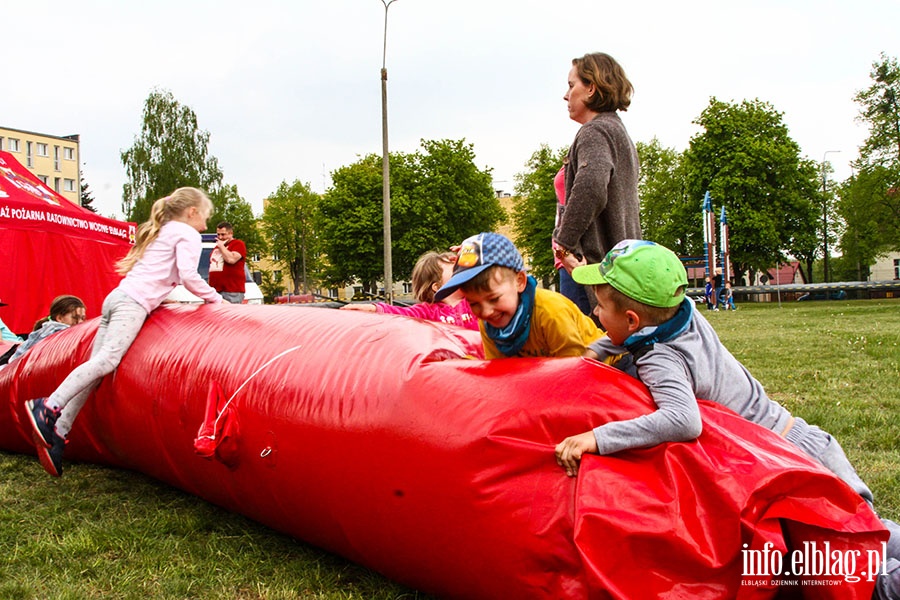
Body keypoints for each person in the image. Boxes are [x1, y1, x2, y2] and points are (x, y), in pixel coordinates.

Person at [554, 238, 900, 598]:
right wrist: (600, 346)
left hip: (789, 473)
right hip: (807, 442)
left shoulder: (661, 359)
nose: (595, 314)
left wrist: (597, 437)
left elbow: (683, 420)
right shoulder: (683, 311)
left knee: (865, 578)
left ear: (631, 319)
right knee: (876, 533)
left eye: (600, 308)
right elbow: (637, 329)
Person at [26, 187, 223, 477]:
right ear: (192, 212)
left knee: (95, 372)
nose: (206, 225)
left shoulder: (165, 230)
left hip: (117, 299)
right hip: (131, 305)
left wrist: (170, 298)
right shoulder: (187, 234)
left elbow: (159, 277)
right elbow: (188, 275)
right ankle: (47, 405)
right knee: (107, 361)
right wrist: (215, 299)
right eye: (205, 216)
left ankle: (58, 431)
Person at [552, 52, 641, 314]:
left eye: (571, 85)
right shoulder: (616, 131)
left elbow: (591, 186)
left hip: (588, 265)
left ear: (591, 87)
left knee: (588, 346)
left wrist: (564, 245)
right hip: (616, 265)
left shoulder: (595, 131)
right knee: (614, 347)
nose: (566, 95)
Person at [434, 232, 605, 359]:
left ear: (520, 281)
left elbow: (575, 367)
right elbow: (501, 370)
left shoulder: (550, 311)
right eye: (474, 304)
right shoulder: (489, 324)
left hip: (605, 366)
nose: (485, 312)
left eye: (494, 298)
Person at [341, 251, 478, 330]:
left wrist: (474, 250)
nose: (462, 271)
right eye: (455, 269)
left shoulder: (479, 301)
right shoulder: (428, 312)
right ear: (437, 286)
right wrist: (373, 309)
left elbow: (496, 278)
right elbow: (400, 313)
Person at [6, 295, 86, 365]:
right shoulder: (54, 330)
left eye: (83, 318)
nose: (80, 322)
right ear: (59, 318)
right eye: (75, 317)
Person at [208, 221, 247, 304]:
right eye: (218, 234)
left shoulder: (238, 244)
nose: (220, 237)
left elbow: (231, 259)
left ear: (231, 233)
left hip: (231, 290)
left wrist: (222, 247)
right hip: (215, 290)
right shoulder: (216, 248)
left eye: (223, 234)